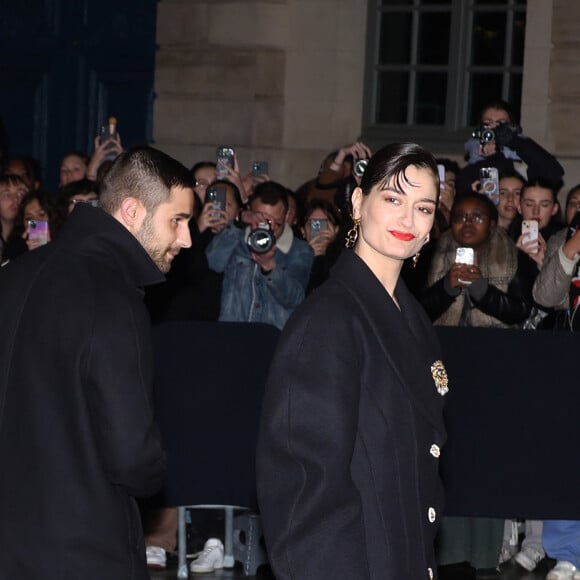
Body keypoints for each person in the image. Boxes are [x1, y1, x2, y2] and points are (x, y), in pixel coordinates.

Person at [0, 145, 194, 580]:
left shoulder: (13, 275)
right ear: (131, 210)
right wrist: (156, 468)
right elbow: (132, 458)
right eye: (177, 221)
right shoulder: (114, 298)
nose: (186, 239)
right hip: (82, 549)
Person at [257, 142, 447, 579]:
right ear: (359, 202)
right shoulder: (328, 320)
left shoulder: (412, 317)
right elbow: (304, 489)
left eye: (424, 207)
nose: (407, 219)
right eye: (393, 199)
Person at [206, 180, 313, 330]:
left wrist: (270, 267)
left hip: (273, 340)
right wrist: (239, 222)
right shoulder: (236, 238)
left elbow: (295, 299)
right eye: (261, 219)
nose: (268, 228)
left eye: (275, 222)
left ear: (286, 215)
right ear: (250, 211)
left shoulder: (300, 250)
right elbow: (212, 263)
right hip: (232, 335)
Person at [456, 98, 564, 197]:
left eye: (500, 125)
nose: (493, 129)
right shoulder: (470, 168)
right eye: (487, 124)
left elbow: (554, 173)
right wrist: (493, 157)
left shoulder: (522, 163)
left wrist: (515, 140)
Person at [532, 183, 580, 331]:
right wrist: (570, 249)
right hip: (569, 332)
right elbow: (545, 297)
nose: (579, 207)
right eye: (573, 203)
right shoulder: (558, 240)